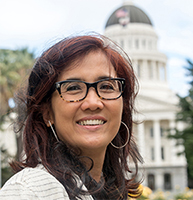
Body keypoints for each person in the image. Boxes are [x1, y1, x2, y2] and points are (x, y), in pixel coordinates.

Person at [0, 34, 143, 199]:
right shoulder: (33, 190)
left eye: (106, 86)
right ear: (47, 112)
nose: (93, 102)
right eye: (73, 87)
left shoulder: (106, 190)